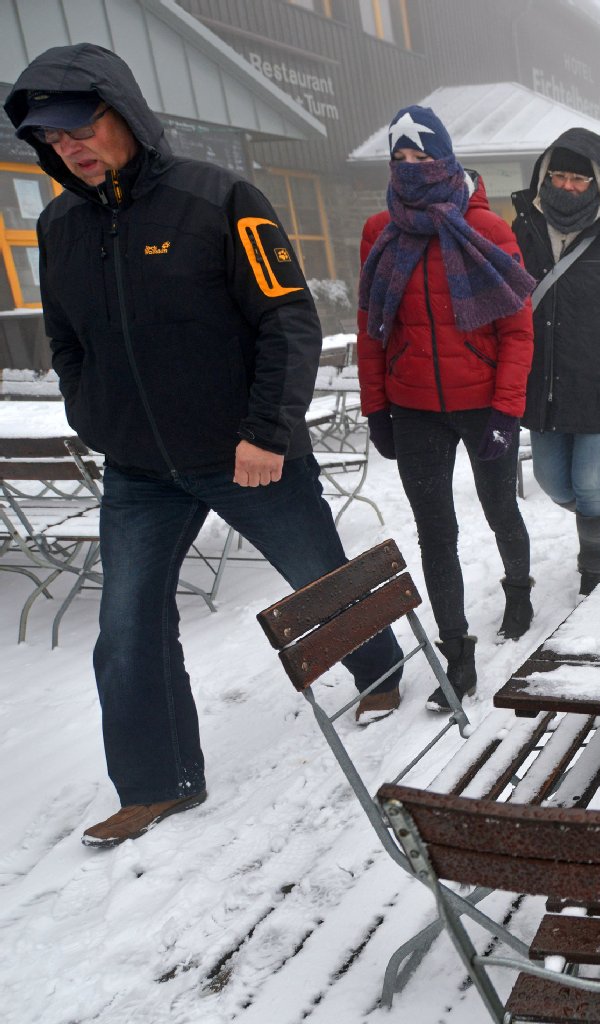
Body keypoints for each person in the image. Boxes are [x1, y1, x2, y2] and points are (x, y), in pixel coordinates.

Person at [4, 44, 406, 847]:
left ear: (124, 112)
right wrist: (94, 416)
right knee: (127, 626)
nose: (68, 147)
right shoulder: (60, 224)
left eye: (81, 125)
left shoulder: (220, 197)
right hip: (139, 469)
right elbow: (67, 339)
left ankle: (381, 670)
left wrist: (266, 433)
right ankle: (157, 784)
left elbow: (286, 319)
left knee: (319, 578)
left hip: (244, 453)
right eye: (50, 139)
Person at [357, 106, 536, 705]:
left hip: (483, 403)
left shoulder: (487, 227)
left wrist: (508, 412)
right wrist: (376, 406)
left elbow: (517, 331)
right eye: (400, 159)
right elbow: (372, 328)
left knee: (498, 507)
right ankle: (457, 655)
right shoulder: (381, 228)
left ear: (447, 158)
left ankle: (518, 586)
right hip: (413, 407)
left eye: (422, 157)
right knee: (437, 534)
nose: (411, 169)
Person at [511, 127, 600, 595]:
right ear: (545, 175)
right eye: (560, 175)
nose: (568, 186)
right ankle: (597, 520)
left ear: (597, 183)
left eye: (580, 178)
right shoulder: (522, 232)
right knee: (552, 481)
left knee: (589, 482)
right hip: (540, 385)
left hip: (598, 384)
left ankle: (591, 571)